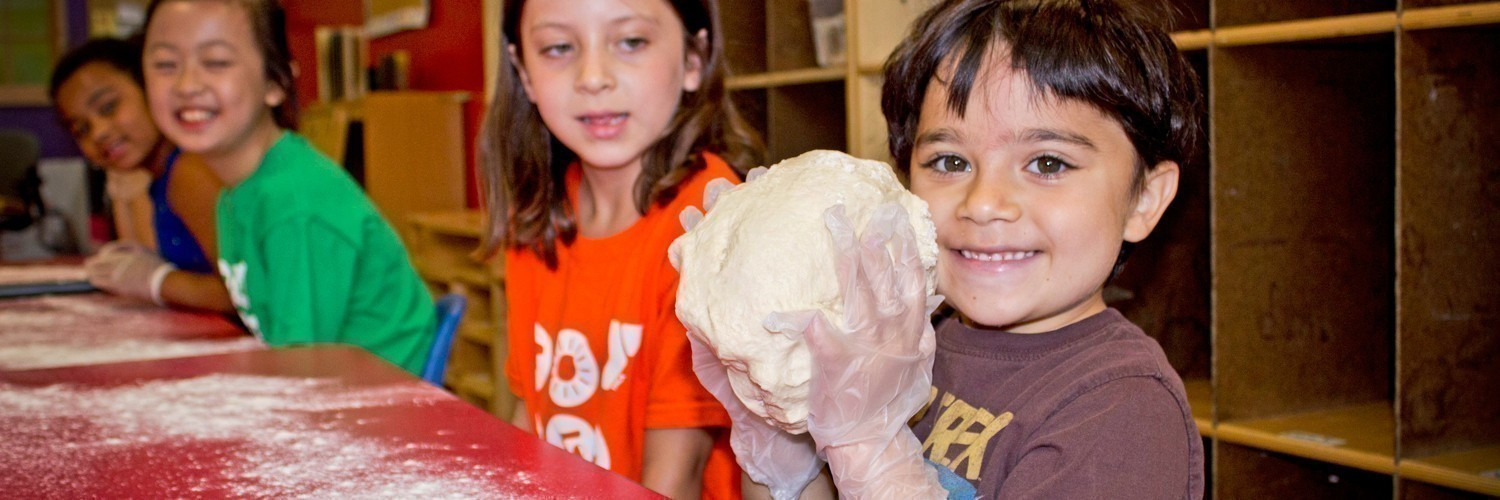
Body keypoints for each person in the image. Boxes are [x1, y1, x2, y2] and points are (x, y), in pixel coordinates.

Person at [708, 0, 1207, 497]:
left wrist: (867, 449)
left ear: (1144, 198)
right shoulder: (906, 339)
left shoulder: (1123, 411)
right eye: (950, 162)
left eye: (1048, 164)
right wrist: (777, 442)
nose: (983, 203)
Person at [478, 0, 762, 497]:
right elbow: (532, 413)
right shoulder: (539, 212)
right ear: (523, 71)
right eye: (558, 47)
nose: (593, 77)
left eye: (631, 41)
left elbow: (675, 474)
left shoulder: (708, 224)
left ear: (694, 58)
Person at [139, 0, 434, 376]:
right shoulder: (235, 192)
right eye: (165, 64)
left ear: (276, 83)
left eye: (216, 62)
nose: (187, 85)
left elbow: (300, 369)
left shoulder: (293, 203)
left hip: (372, 399)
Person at [50, 37, 233, 312]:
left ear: (152, 89)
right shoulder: (161, 179)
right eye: (81, 129)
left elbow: (250, 295)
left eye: (109, 107)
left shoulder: (189, 171)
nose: (99, 133)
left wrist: (159, 281)